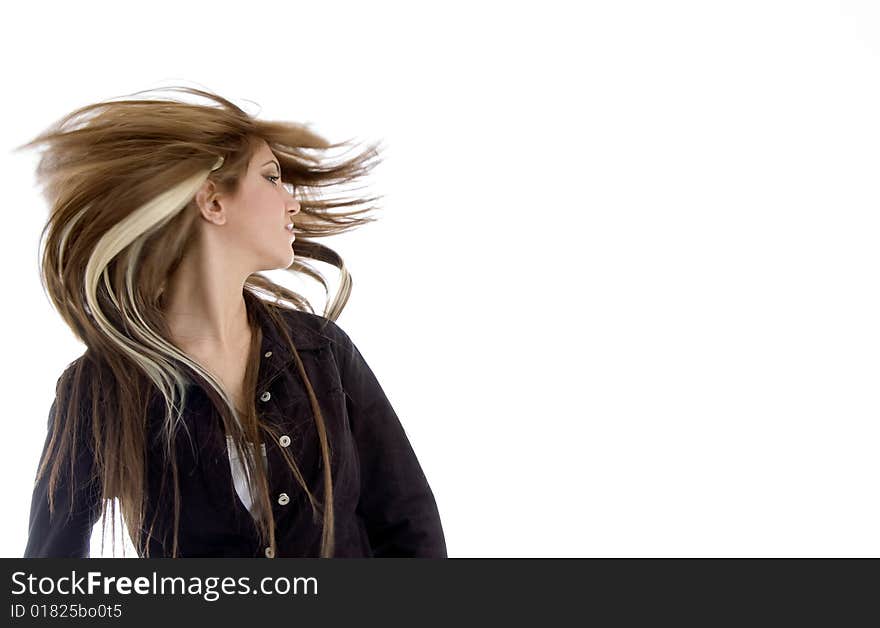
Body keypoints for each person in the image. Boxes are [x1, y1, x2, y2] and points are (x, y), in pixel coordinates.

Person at [17, 86, 447, 558]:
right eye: (271, 177)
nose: (292, 203)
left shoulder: (322, 350)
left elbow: (408, 524)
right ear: (212, 202)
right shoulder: (100, 387)